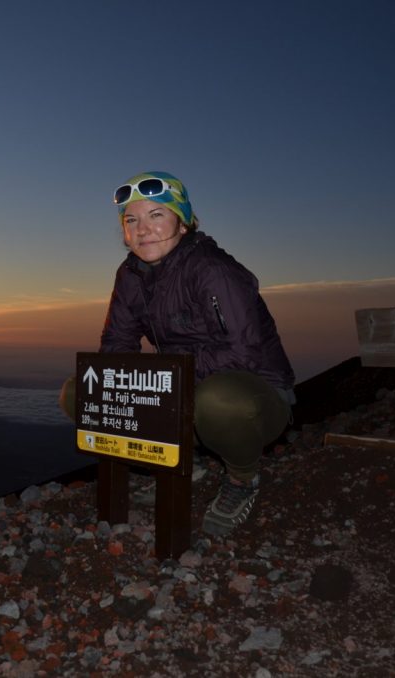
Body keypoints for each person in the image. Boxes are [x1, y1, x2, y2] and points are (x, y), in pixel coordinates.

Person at [97, 170, 296, 536]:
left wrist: (163, 379)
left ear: (183, 222)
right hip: (185, 387)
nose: (142, 229)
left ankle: (241, 479)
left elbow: (243, 354)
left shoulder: (212, 270)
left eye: (156, 215)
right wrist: (119, 386)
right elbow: (116, 344)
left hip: (254, 395)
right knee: (84, 392)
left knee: (216, 399)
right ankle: (182, 464)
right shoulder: (130, 276)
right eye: (131, 220)